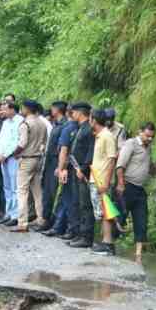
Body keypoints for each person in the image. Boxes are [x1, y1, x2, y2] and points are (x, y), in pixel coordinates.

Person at [116, 123, 156, 261]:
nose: (150, 139)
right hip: (127, 186)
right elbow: (120, 165)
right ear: (140, 132)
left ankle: (138, 254)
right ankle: (109, 243)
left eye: (152, 137)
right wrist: (121, 184)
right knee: (120, 217)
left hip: (140, 189)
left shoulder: (148, 147)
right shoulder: (131, 144)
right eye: (147, 136)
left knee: (141, 219)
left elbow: (149, 164)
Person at [10, 100, 48, 233]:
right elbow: (44, 142)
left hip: (26, 160)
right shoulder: (42, 123)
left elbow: (22, 143)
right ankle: (41, 219)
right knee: (38, 191)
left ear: (26, 109)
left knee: (22, 192)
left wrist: (15, 154)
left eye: (22, 108)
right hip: (38, 159)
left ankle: (22, 223)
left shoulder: (25, 124)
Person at [45, 106, 80, 239]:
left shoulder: (67, 128)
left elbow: (64, 151)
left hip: (68, 168)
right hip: (75, 168)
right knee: (68, 199)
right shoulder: (79, 127)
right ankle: (64, 228)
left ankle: (63, 228)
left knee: (65, 198)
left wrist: (61, 168)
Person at [88, 110, 119, 256]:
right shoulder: (99, 136)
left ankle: (108, 244)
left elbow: (112, 159)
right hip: (96, 179)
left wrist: (105, 183)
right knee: (101, 213)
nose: (89, 121)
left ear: (94, 120)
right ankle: (105, 242)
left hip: (102, 181)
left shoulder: (107, 136)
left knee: (105, 212)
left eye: (90, 118)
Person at [66, 103, 95, 248]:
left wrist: (83, 169)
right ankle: (78, 233)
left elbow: (90, 151)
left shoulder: (89, 129)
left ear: (80, 113)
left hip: (83, 173)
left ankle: (86, 236)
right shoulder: (80, 128)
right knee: (77, 202)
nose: (72, 114)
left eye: (74, 112)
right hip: (75, 170)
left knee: (85, 204)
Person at [37, 102, 68, 233]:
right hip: (50, 160)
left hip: (56, 161)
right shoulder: (56, 124)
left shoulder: (64, 125)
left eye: (53, 108)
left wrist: (60, 166)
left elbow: (63, 148)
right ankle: (45, 219)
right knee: (47, 190)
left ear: (57, 110)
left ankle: (52, 222)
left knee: (53, 192)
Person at [0, 101, 23, 227]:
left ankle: (16, 215)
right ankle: (9, 213)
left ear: (12, 110)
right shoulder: (5, 123)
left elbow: (16, 141)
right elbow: (1, 140)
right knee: (6, 187)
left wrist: (5, 154)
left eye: (5, 109)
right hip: (3, 158)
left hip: (13, 158)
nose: (2, 112)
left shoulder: (20, 121)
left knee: (15, 187)